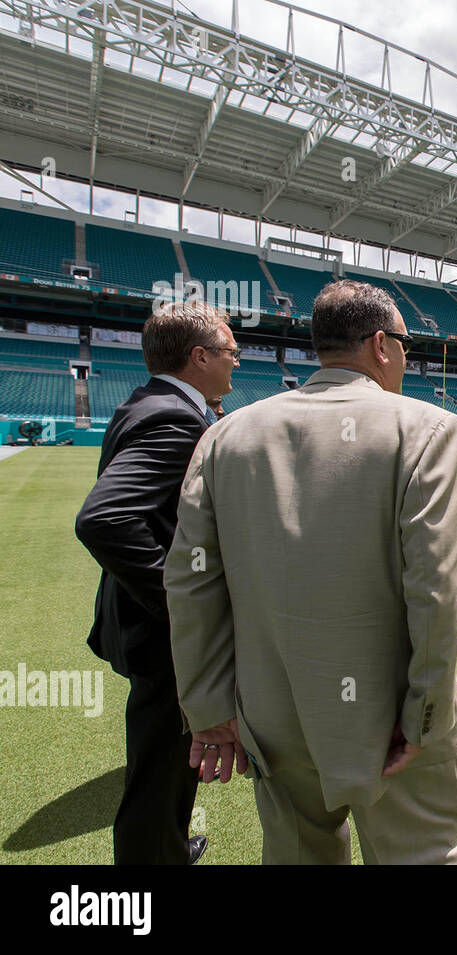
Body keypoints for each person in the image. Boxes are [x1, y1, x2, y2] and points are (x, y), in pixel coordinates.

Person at [164, 279, 457, 864]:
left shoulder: (224, 435)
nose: (407, 358)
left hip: (274, 716)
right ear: (381, 345)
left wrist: (207, 710)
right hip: (392, 721)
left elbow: (190, 579)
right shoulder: (427, 428)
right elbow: (433, 589)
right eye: (406, 345)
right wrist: (423, 714)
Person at [74, 300, 239, 865]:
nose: (236, 363)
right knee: (158, 764)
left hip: (147, 627)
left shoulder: (150, 402)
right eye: (230, 352)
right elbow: (104, 519)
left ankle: (166, 845)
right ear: (199, 356)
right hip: (165, 634)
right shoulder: (174, 417)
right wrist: (180, 604)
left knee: (169, 758)